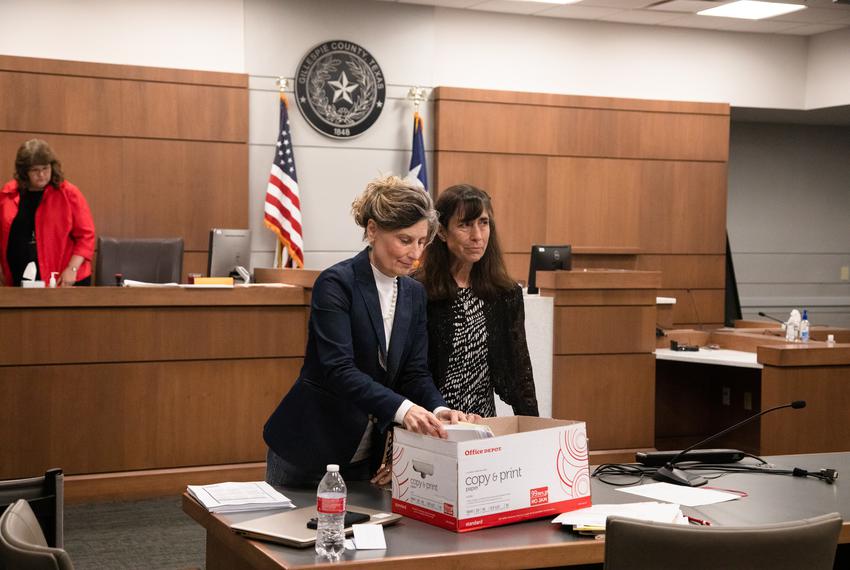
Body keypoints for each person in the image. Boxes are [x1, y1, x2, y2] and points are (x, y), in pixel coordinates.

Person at [263, 175, 473, 487]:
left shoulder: (414, 293)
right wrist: (405, 410)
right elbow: (338, 368)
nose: (415, 254)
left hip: (363, 454)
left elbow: (414, 372)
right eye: (404, 240)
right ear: (372, 230)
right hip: (308, 445)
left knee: (357, 533)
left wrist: (437, 408)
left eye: (421, 242)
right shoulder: (336, 284)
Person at [420, 184, 539, 417]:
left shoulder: (505, 293)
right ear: (442, 232)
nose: (477, 236)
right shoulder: (419, 291)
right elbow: (412, 373)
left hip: (481, 425)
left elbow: (519, 373)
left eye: (483, 223)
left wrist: (534, 431)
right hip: (431, 422)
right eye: (465, 224)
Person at [0, 139, 95, 287]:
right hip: (19, 278)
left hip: (64, 278)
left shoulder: (69, 193)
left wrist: (72, 268)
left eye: (45, 168)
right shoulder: (8, 194)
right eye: (35, 170)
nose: (42, 175)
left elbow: (86, 236)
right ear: (24, 172)